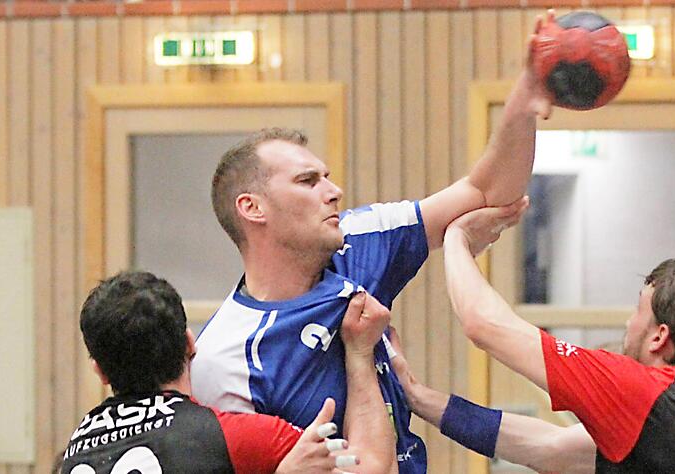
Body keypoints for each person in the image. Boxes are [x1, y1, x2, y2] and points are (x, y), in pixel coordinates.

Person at [190, 12, 556, 473]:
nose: (333, 190)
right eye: (308, 181)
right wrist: (359, 357)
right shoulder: (226, 357)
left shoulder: (355, 240)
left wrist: (526, 95)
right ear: (253, 208)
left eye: (326, 176)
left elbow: (488, 193)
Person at [389, 202, 675, 473]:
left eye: (638, 311)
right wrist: (420, 398)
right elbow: (551, 451)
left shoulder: (647, 393)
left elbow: (483, 323)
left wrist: (456, 237)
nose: (628, 324)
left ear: (658, 338)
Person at [61, 271, 396, 474]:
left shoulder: (76, 449)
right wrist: (359, 353)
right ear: (190, 343)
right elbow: (371, 468)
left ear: (99, 371)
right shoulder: (230, 435)